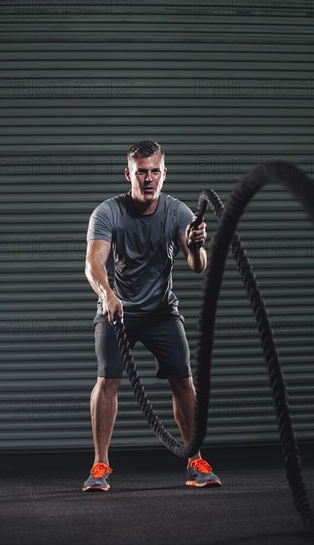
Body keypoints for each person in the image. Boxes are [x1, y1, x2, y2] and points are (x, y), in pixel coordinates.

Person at [82, 140, 221, 492]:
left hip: (161, 312)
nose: (149, 179)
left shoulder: (177, 212)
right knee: (107, 381)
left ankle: (196, 460)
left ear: (164, 174)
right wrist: (108, 295)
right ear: (128, 174)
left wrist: (198, 246)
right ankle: (100, 465)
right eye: (141, 172)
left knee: (184, 382)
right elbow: (93, 263)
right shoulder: (108, 212)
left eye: (155, 171)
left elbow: (197, 267)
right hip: (117, 311)